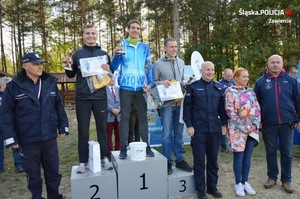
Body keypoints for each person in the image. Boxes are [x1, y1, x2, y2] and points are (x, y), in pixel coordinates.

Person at [0, 52, 69, 199]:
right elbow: (6, 114)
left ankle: (54, 196)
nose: (40, 67)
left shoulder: (50, 82)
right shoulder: (14, 87)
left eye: (41, 64)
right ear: (25, 66)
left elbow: (58, 106)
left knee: (53, 171)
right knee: (33, 173)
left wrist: (63, 125)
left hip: (49, 137)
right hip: (28, 138)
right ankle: (36, 196)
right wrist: (10, 138)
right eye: (35, 64)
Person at [63, 24, 112, 173]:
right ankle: (83, 162)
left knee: (102, 130)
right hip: (83, 98)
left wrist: (109, 69)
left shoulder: (104, 54)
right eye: (88, 33)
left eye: (93, 33)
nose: (90, 36)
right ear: (84, 36)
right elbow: (71, 75)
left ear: (96, 35)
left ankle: (105, 158)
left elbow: (109, 75)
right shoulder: (77, 54)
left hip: (100, 97)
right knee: (83, 131)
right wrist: (67, 65)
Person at [254, 54, 300, 194]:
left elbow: (298, 100)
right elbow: (256, 104)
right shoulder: (260, 82)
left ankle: (286, 181)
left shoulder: (291, 81)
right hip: (268, 123)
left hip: (287, 123)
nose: (275, 64)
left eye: (278, 62)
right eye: (272, 62)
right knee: (270, 151)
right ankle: (272, 177)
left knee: (287, 152)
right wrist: (259, 121)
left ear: (282, 64)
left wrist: (299, 119)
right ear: (268, 65)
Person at [110, 19, 154, 159]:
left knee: (143, 117)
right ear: (128, 29)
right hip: (125, 88)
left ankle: (146, 145)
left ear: (140, 31)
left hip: (141, 88)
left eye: (138, 28)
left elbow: (148, 67)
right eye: (133, 28)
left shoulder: (145, 48)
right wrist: (116, 55)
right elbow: (113, 66)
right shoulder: (121, 45)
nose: (135, 30)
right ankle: (124, 147)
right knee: (125, 118)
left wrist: (150, 83)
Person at [183, 61, 227, 199]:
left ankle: (212, 188)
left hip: (214, 130)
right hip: (198, 131)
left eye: (212, 70)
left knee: (213, 160)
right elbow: (187, 109)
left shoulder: (218, 88)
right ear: (201, 71)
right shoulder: (193, 87)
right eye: (207, 69)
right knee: (199, 161)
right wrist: (189, 125)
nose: (210, 72)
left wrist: (224, 124)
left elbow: (222, 109)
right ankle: (200, 189)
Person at [153, 37, 192, 175]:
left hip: (179, 103)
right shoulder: (157, 64)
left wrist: (185, 84)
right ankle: (167, 162)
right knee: (167, 134)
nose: (174, 49)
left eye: (176, 46)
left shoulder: (181, 62)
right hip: (167, 105)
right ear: (165, 48)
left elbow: (180, 82)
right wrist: (161, 83)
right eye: (171, 47)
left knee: (179, 134)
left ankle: (180, 160)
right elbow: (153, 83)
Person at [223, 68, 261, 197]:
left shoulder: (251, 91)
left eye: (247, 76)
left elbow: (257, 108)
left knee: (247, 158)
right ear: (236, 78)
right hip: (238, 130)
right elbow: (230, 112)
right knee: (239, 158)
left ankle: (245, 182)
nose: (247, 79)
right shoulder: (230, 92)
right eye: (244, 76)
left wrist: (255, 125)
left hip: (251, 130)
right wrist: (244, 128)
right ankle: (238, 183)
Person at [0, 77, 23, 173]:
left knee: (16, 145)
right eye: (8, 85)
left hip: (11, 125)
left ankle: (19, 165)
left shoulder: (13, 95)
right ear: (2, 85)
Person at [219, 68, 235, 152]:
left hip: (232, 109)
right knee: (223, 126)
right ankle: (223, 145)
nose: (229, 77)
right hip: (223, 108)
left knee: (232, 127)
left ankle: (231, 144)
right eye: (228, 76)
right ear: (224, 75)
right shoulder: (220, 84)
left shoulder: (233, 82)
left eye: (231, 76)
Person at [106, 79, 121, 152]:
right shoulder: (103, 90)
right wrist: (111, 109)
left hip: (118, 116)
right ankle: (109, 152)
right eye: (111, 79)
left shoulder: (118, 89)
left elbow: (123, 100)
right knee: (108, 136)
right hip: (108, 116)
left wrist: (119, 109)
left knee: (119, 135)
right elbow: (103, 102)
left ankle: (118, 150)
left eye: (114, 79)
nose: (113, 80)